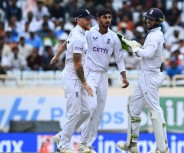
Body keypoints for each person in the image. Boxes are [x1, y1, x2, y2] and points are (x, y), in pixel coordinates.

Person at [51, 9, 129, 153]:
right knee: (90, 107)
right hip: (89, 73)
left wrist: (123, 75)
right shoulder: (87, 33)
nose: (107, 20)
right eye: (104, 17)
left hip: (103, 75)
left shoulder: (114, 37)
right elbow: (69, 45)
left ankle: (81, 142)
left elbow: (119, 58)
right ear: (99, 18)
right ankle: (80, 143)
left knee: (97, 111)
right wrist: (57, 55)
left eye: (109, 17)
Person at [117, 8, 170, 153]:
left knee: (155, 111)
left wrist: (134, 49)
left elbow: (148, 53)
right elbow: (155, 54)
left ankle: (163, 149)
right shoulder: (154, 34)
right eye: (147, 18)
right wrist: (135, 45)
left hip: (150, 76)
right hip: (147, 76)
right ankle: (131, 144)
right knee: (133, 107)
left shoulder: (155, 36)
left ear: (159, 21)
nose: (148, 21)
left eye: (151, 19)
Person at [53, 9, 94, 153]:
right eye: (86, 19)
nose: (90, 21)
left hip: (76, 79)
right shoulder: (78, 37)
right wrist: (85, 83)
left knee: (87, 111)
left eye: (90, 18)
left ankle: (62, 135)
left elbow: (64, 44)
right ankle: (63, 145)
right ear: (78, 20)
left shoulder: (77, 33)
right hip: (72, 79)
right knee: (74, 113)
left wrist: (56, 56)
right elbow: (77, 64)